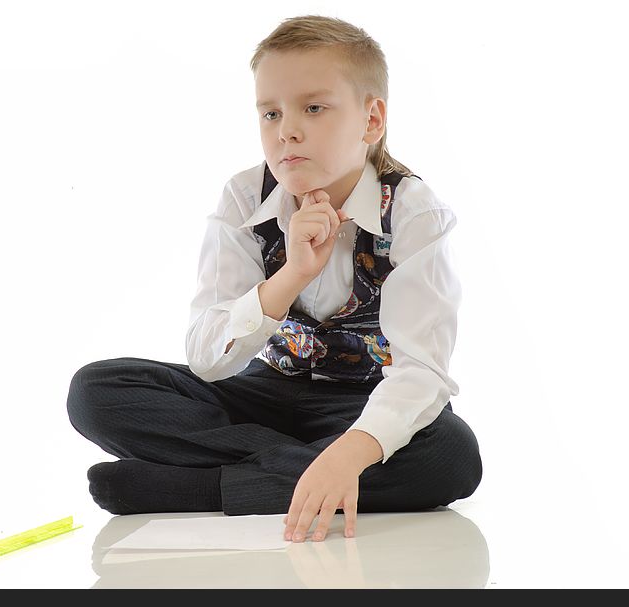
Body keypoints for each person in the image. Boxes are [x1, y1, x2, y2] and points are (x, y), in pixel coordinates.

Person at [66, 14, 482, 542]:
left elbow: (422, 372)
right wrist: (291, 275)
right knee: (97, 392)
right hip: (265, 393)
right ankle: (306, 475)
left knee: (451, 455)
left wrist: (350, 451)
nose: (287, 129)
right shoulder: (244, 198)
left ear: (371, 119)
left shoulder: (412, 212)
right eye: (270, 113)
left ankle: (199, 489)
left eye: (313, 107)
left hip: (360, 401)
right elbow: (208, 358)